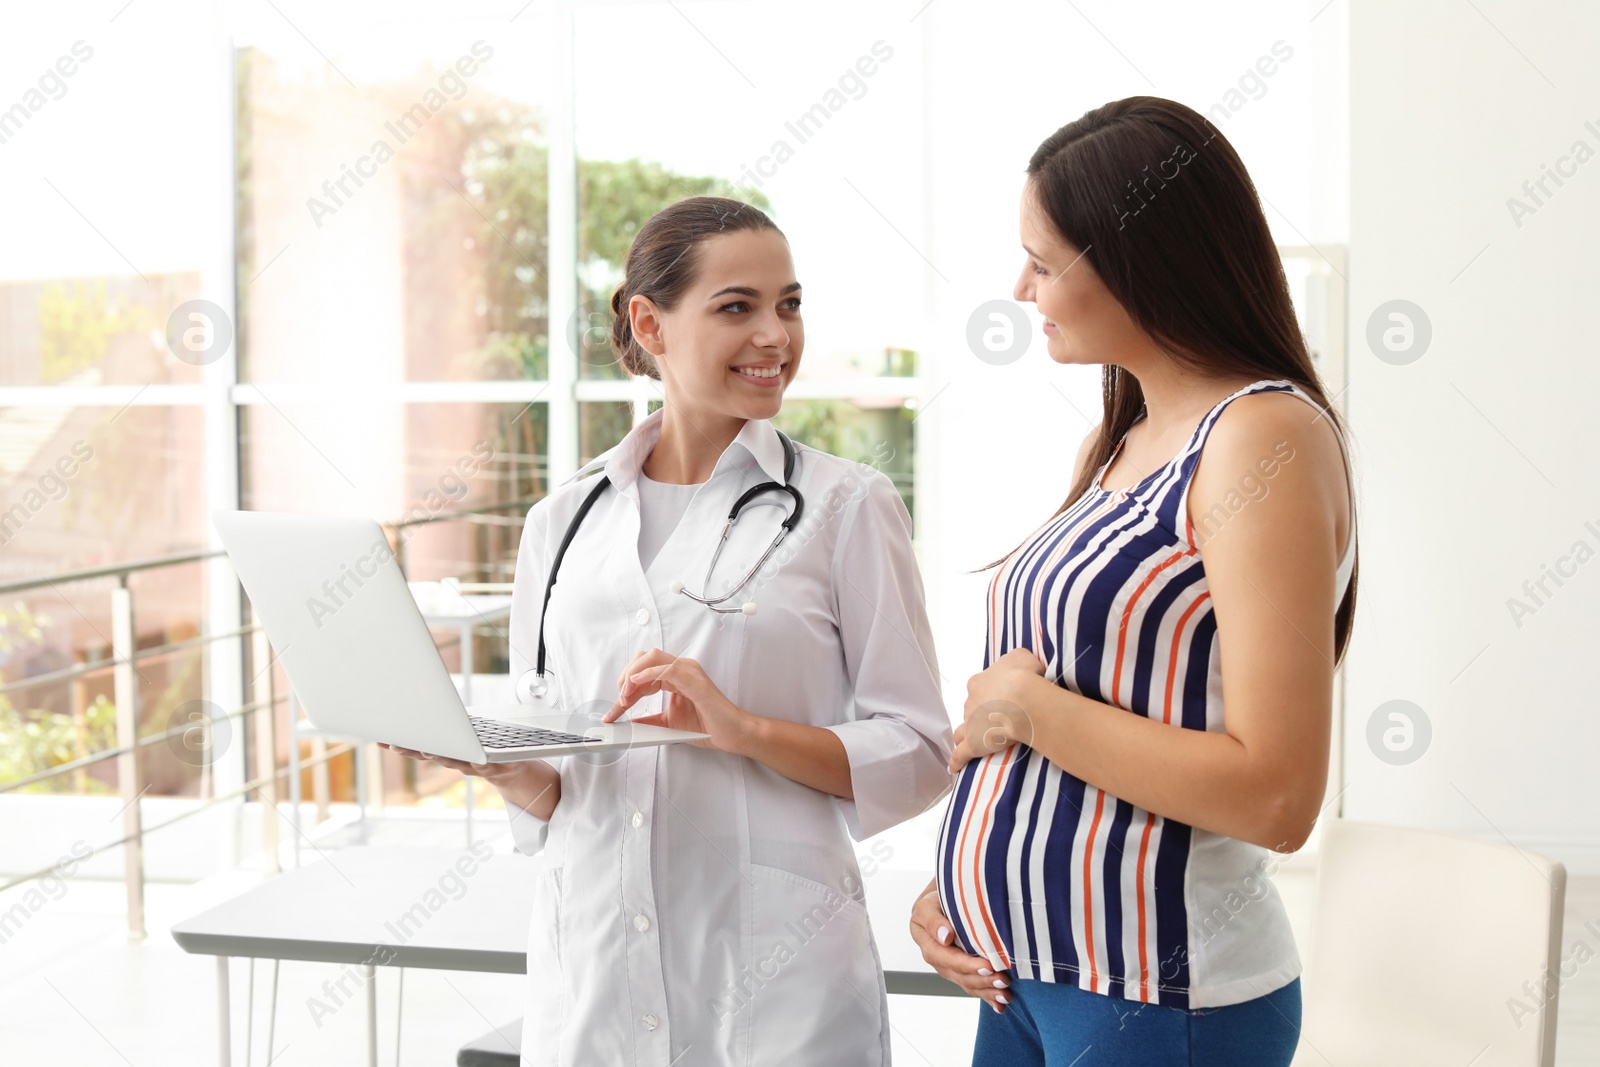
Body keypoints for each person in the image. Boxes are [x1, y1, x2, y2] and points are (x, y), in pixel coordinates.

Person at [386, 195, 952, 1066]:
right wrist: (503, 768)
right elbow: (567, 794)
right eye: (738, 307)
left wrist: (744, 730)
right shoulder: (561, 521)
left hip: (779, 984)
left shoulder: (845, 506)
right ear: (650, 323)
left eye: (789, 304)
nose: (776, 335)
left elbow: (918, 750)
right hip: (596, 987)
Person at [908, 97, 1358, 1066]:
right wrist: (969, 875)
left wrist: (1025, 708)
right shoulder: (1114, 444)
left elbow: (1277, 795)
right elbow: (1086, 702)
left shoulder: (1258, 441)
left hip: (1153, 994)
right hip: (1024, 974)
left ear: (1136, 256)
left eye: (1041, 258)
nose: (1019, 286)